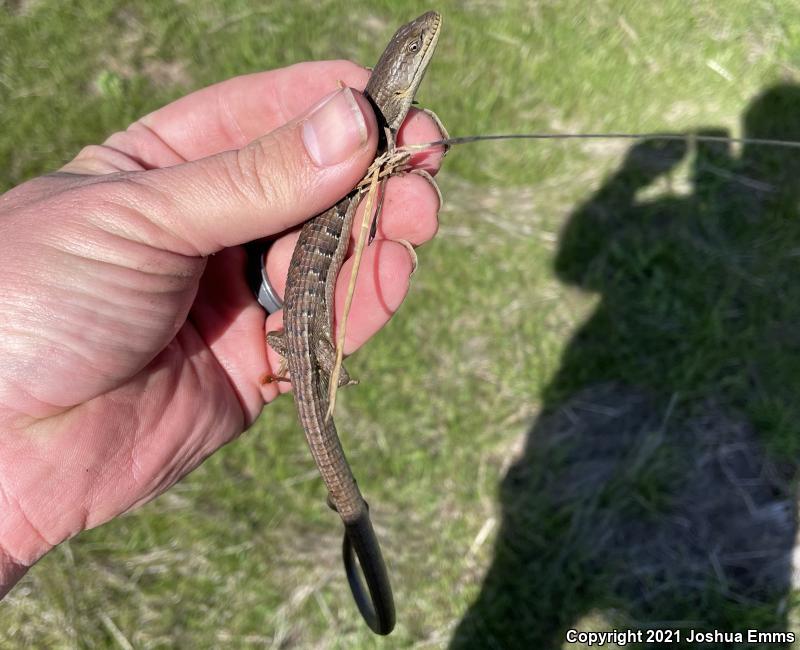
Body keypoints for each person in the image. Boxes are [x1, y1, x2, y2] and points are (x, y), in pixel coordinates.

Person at [0, 60, 445, 597]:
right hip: (299, 332)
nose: (425, 51)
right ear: (400, 78)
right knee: (328, 334)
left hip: (292, 333)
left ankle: (353, 510)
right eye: (418, 49)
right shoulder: (376, 121)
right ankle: (352, 508)